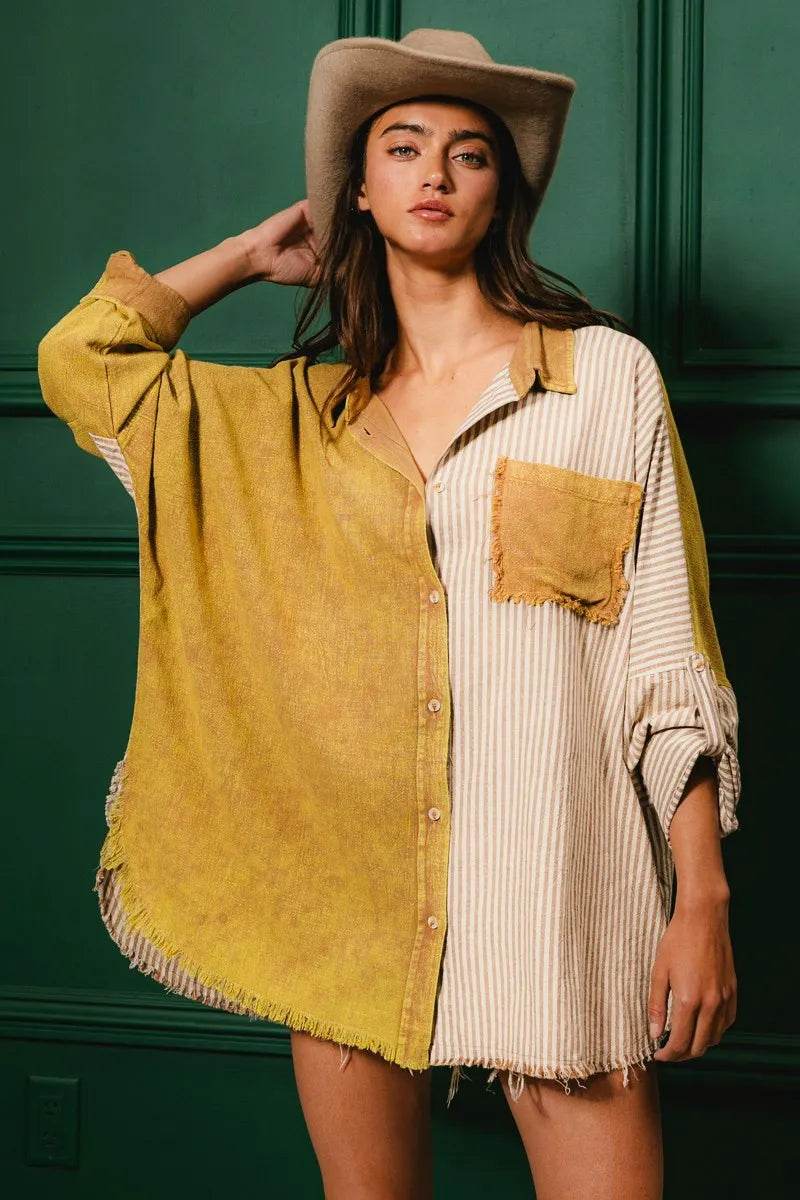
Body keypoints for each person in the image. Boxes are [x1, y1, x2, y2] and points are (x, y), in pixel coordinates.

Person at [38, 28, 742, 1200]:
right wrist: (242, 255)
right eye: (401, 148)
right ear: (355, 193)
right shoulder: (296, 422)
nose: (434, 173)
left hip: (555, 895)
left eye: (469, 153)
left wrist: (700, 897)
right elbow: (83, 363)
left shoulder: (603, 380)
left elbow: (664, 662)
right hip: (353, 909)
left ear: (499, 191)